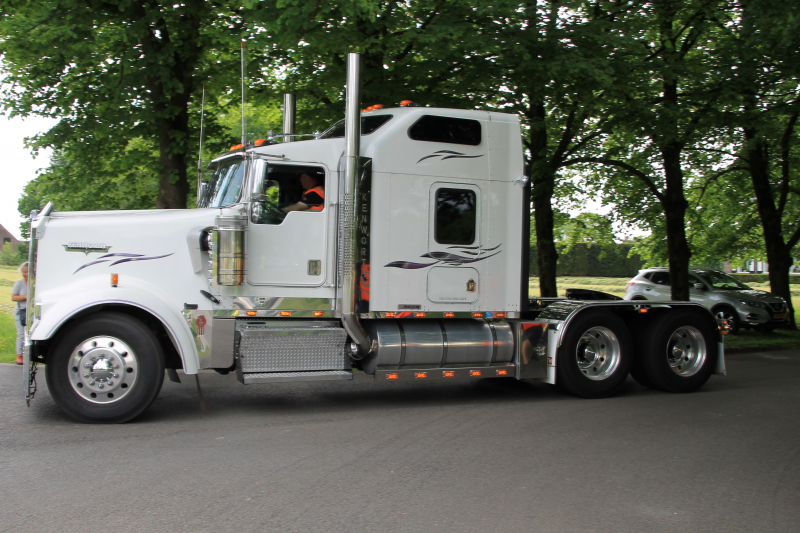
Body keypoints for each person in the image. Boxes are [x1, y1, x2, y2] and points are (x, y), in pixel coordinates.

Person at [11, 262, 28, 365]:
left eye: (27, 272)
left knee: (30, 335)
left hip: (31, 312)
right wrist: (26, 297)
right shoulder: (19, 283)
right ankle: (19, 356)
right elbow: (13, 297)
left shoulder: (34, 283)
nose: (25, 274)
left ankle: (28, 355)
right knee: (21, 334)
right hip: (20, 311)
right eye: (23, 272)